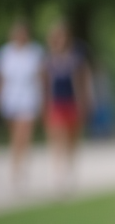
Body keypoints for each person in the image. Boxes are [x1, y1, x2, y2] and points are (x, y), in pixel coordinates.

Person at [43, 22, 90, 190]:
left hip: (72, 103)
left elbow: (83, 83)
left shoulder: (76, 58)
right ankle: (59, 175)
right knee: (58, 140)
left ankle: (71, 169)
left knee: (72, 140)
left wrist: (84, 103)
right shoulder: (48, 60)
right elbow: (45, 86)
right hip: (57, 104)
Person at [0, 19, 45, 190]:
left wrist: (41, 100)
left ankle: (20, 167)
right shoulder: (6, 53)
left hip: (28, 97)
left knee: (24, 133)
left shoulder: (34, 52)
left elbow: (39, 79)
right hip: (11, 98)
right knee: (15, 136)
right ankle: (16, 165)